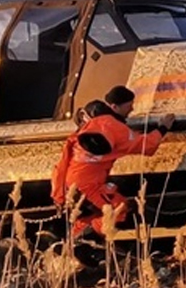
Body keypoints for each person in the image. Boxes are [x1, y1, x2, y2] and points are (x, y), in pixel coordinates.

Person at [54, 87, 176, 244]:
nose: (132, 109)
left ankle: (76, 240)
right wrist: (163, 127)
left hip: (72, 183)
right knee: (118, 209)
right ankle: (83, 240)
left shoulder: (87, 127)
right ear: (114, 107)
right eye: (128, 105)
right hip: (88, 186)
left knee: (93, 213)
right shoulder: (113, 127)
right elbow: (146, 145)